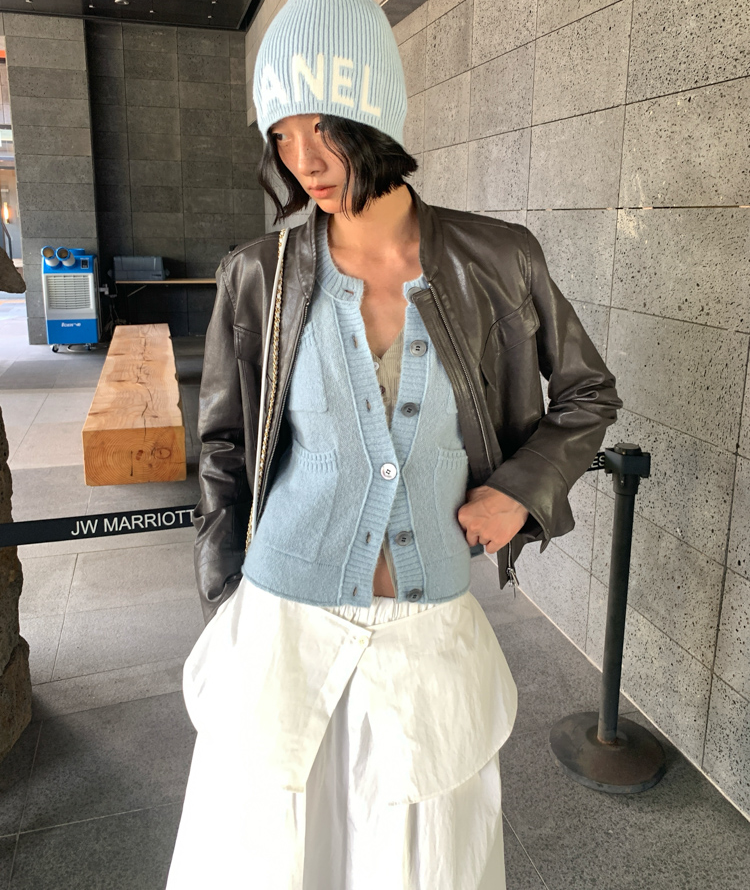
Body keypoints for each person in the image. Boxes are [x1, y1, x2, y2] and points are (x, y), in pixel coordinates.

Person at [166, 1, 622, 888]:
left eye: (323, 128)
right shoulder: (257, 273)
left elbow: (587, 393)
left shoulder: (499, 260)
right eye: (282, 134)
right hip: (281, 629)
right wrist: (226, 595)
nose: (302, 160)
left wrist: (521, 490)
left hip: (428, 632)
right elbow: (222, 444)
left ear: (372, 113)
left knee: (424, 860)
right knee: (269, 859)